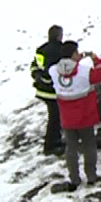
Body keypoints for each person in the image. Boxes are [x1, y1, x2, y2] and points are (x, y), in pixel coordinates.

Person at [49, 41, 101, 193]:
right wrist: (95, 59)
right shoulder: (84, 71)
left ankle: (74, 178)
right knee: (89, 146)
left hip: (67, 119)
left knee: (71, 148)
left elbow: (64, 69)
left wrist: (74, 62)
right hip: (85, 117)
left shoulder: (54, 71)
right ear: (74, 54)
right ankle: (91, 176)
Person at [29, 25, 65, 155]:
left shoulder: (41, 50)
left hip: (42, 90)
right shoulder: (61, 50)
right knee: (55, 118)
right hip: (53, 91)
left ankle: (55, 141)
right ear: (58, 36)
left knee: (54, 116)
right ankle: (51, 146)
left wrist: (37, 77)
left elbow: (34, 67)